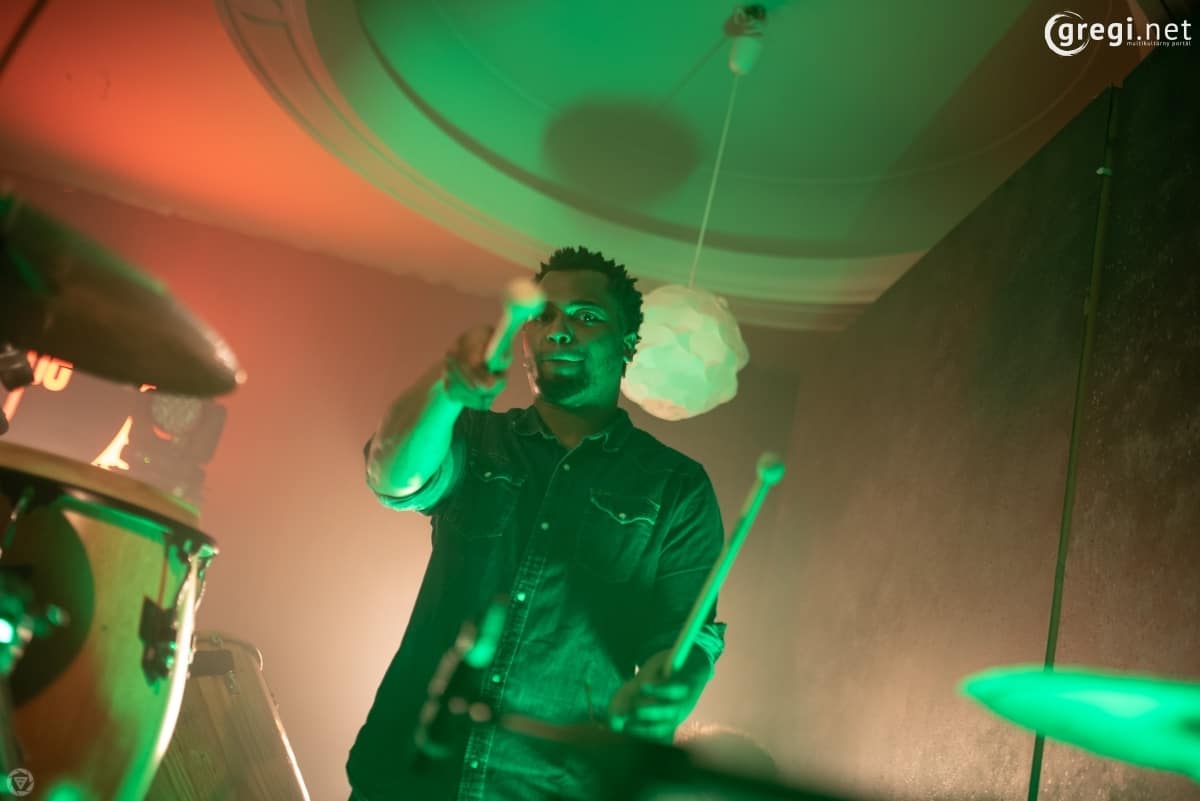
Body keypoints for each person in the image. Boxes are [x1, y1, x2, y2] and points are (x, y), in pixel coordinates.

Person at [347, 247, 727, 801]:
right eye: (543, 316)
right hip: (407, 777)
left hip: (554, 788)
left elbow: (685, 634)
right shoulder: (475, 437)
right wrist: (446, 385)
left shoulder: (676, 486)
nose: (558, 330)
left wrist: (677, 682)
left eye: (586, 316)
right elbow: (391, 476)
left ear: (629, 344)